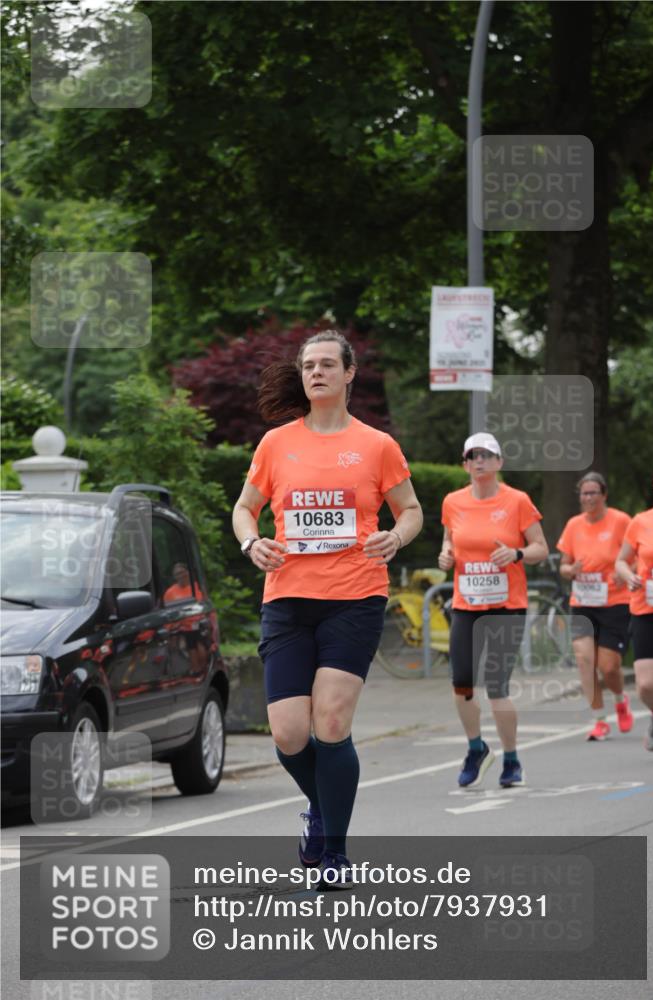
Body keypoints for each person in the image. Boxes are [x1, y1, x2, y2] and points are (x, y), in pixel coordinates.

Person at [232, 330, 422, 885]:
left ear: (348, 373)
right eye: (308, 365)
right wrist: (251, 542)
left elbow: (409, 510)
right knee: (290, 734)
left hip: (355, 597)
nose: (315, 372)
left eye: (326, 364)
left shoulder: (377, 445)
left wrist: (397, 537)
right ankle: (321, 809)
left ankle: (334, 851)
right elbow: (245, 508)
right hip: (288, 598)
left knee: (332, 723)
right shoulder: (275, 444)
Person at [438, 432, 548, 789]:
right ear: (465, 464)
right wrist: (446, 556)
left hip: (506, 606)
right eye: (473, 456)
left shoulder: (517, 501)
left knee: (497, 686)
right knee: (462, 684)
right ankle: (476, 748)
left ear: (499, 462)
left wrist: (517, 554)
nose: (479, 461)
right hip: (466, 605)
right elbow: (449, 542)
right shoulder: (453, 502)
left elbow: (540, 548)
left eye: (487, 455)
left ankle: (512, 760)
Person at [556, 472, 633, 741]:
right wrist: (571, 569)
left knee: (609, 666)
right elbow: (564, 565)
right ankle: (600, 720)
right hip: (583, 602)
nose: (588, 498)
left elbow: (637, 557)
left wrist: (622, 572)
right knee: (585, 661)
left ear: (604, 495)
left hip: (615, 602)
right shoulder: (574, 525)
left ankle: (621, 701)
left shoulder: (622, 521)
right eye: (584, 494)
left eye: (593, 493)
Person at [615, 459, 653, 752]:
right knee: (647, 685)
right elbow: (620, 561)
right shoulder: (641, 521)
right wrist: (628, 576)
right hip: (646, 609)